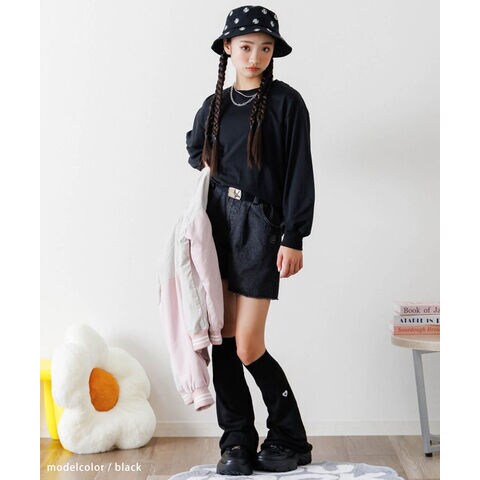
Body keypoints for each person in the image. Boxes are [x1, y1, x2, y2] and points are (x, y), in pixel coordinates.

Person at [185, 5, 315, 476]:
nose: (255, 57)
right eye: (245, 47)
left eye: (264, 48)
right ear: (228, 49)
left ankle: (290, 437)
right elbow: (194, 149)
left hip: (262, 225)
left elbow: (299, 171)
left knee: (248, 344)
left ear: (274, 51)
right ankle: (237, 440)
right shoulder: (214, 105)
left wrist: (293, 236)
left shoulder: (287, 103)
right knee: (223, 339)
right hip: (217, 222)